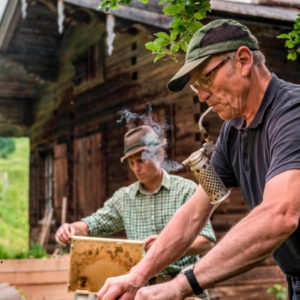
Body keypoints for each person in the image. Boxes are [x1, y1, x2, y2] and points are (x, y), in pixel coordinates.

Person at [96, 19, 300, 300]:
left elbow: (280, 215)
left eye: (206, 79)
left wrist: (180, 285)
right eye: (196, 88)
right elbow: (195, 212)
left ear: (242, 60)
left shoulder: (293, 114)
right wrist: (137, 275)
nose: (203, 96)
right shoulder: (233, 131)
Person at [55, 125, 216, 299]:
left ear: (159, 155)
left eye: (140, 160)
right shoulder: (124, 198)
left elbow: (206, 242)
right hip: (141, 291)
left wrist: (168, 247)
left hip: (184, 289)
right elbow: (92, 224)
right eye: (131, 163)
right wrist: (71, 229)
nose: (136, 168)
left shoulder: (186, 190)